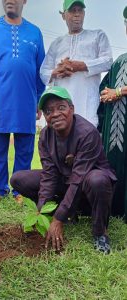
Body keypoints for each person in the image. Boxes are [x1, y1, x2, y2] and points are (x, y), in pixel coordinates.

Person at [10, 86, 117, 254]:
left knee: (98, 180)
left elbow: (78, 179)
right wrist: (41, 211)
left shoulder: (87, 133)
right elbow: (49, 175)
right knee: (18, 179)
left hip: (88, 187)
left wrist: (59, 219)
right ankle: (67, 213)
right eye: (48, 111)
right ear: (44, 116)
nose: (55, 114)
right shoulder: (45, 136)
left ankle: (99, 233)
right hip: (65, 181)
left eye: (61, 107)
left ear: (71, 109)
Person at [0, 0, 45, 203]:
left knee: (24, 149)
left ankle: (18, 190)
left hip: (26, 101)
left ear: (24, 1)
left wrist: (39, 99)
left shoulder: (35, 32)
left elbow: (41, 71)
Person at [40, 0, 112, 127]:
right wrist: (55, 72)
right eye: (73, 11)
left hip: (87, 111)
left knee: (86, 144)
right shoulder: (57, 43)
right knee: (62, 146)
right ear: (63, 15)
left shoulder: (97, 36)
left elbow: (108, 61)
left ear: (84, 13)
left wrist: (81, 66)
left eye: (80, 11)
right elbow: (43, 71)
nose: (77, 14)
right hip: (61, 113)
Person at [98, 6, 127, 222]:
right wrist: (105, 95)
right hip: (118, 134)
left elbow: (113, 91)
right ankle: (115, 207)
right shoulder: (120, 61)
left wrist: (118, 92)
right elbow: (103, 90)